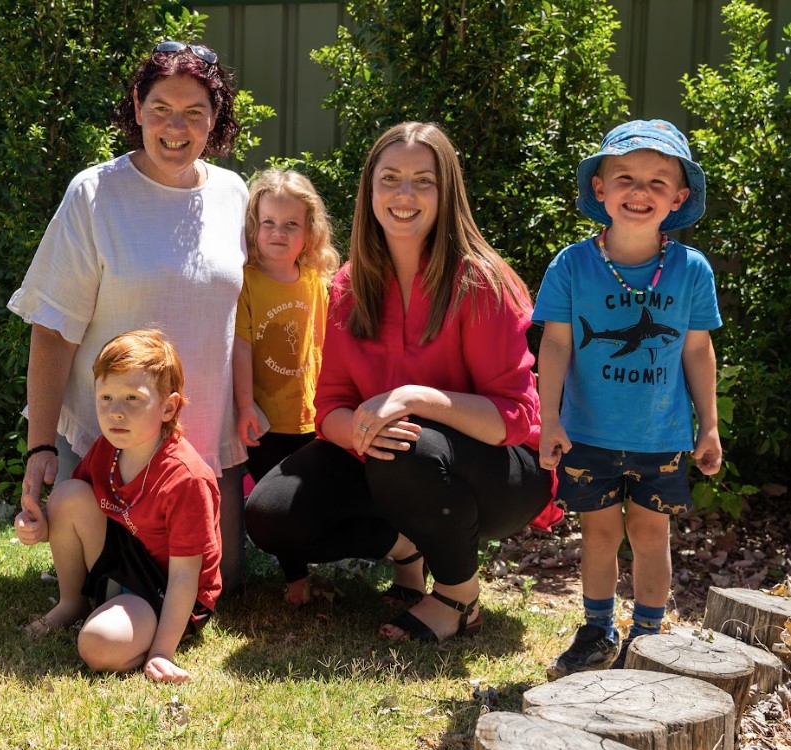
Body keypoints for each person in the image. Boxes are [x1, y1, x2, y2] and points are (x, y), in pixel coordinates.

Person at [245, 121, 561, 635]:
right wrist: (361, 430)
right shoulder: (348, 286)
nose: (404, 194)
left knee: (409, 446)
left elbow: (514, 416)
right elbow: (331, 406)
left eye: (423, 181)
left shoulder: (479, 281)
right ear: (370, 189)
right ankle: (406, 545)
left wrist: (414, 398)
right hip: (391, 455)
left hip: (502, 469)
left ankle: (459, 598)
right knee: (271, 515)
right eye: (390, 178)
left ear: (446, 192)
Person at [8, 41, 249, 591]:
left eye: (194, 113)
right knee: (110, 591)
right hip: (108, 444)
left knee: (223, 583)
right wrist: (41, 448)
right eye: (161, 108)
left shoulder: (234, 194)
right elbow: (52, 329)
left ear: (216, 120)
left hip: (200, 445)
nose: (175, 127)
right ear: (137, 107)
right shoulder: (94, 194)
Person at [536, 119, 721, 678]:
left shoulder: (691, 271)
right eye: (625, 178)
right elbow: (556, 344)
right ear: (600, 188)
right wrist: (548, 419)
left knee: (649, 532)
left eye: (657, 183)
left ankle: (646, 638)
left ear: (678, 197)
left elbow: (696, 351)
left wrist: (708, 425)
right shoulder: (572, 264)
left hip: (660, 436)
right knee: (598, 532)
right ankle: (596, 630)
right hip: (588, 432)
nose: (639, 193)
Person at [14, 330, 221, 684]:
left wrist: (161, 651)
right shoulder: (106, 451)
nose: (116, 412)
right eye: (106, 397)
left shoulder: (186, 478)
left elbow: (185, 577)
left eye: (131, 398)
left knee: (97, 646)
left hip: (164, 586)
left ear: (168, 407)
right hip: (122, 558)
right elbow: (70, 518)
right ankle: (71, 602)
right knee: (68, 495)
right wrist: (37, 526)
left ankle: (134, 631)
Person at [234, 168, 338, 484]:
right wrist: (244, 405)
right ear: (254, 227)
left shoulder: (315, 280)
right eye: (269, 223)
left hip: (310, 417)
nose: (279, 231)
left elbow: (323, 345)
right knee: (270, 495)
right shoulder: (245, 281)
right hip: (263, 420)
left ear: (310, 231)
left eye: (291, 224)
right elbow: (241, 345)